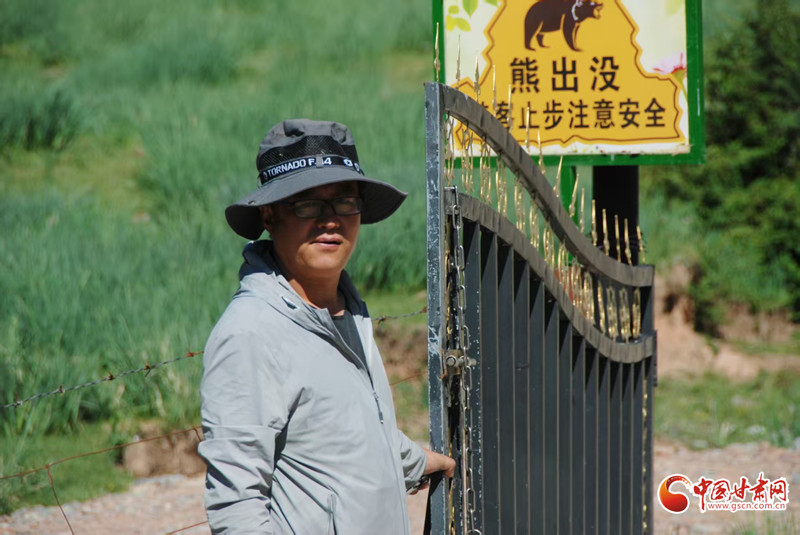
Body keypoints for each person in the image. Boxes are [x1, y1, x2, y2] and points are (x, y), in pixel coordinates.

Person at [198, 118, 455, 534]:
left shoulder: (346, 309)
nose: (331, 220)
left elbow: (340, 430)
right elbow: (237, 508)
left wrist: (412, 460)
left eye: (344, 201)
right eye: (307, 204)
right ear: (269, 215)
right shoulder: (251, 334)